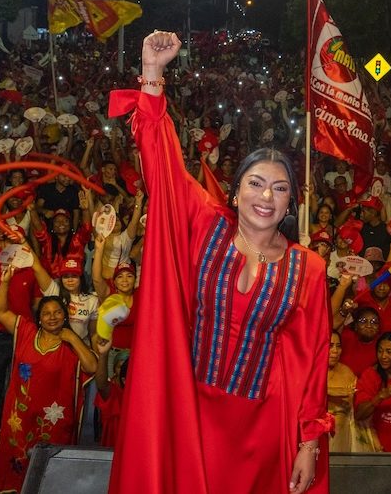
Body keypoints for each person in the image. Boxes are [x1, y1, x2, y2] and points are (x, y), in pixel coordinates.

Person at [108, 31, 331, 494]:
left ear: (291, 204)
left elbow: (313, 357)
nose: (265, 196)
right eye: (255, 182)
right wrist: (152, 75)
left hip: (264, 427)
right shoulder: (206, 223)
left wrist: (308, 443)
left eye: (279, 188)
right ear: (235, 191)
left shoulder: (307, 268)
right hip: (190, 412)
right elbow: (164, 166)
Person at [0, 267, 98, 493]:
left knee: (51, 471)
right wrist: (5, 282)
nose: (52, 317)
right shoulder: (26, 332)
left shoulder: (71, 346)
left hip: (54, 422)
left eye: (58, 312)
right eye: (47, 313)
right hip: (20, 419)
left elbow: (92, 366)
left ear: (65, 315)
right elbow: (0, 311)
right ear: (38, 318)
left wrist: (72, 337)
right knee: (18, 466)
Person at [326, 331, 357, 452]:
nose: (335, 351)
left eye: (338, 346)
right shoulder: (309, 370)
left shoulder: (347, 372)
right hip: (313, 435)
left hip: (341, 434)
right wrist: (330, 391)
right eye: (330, 345)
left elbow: (352, 403)